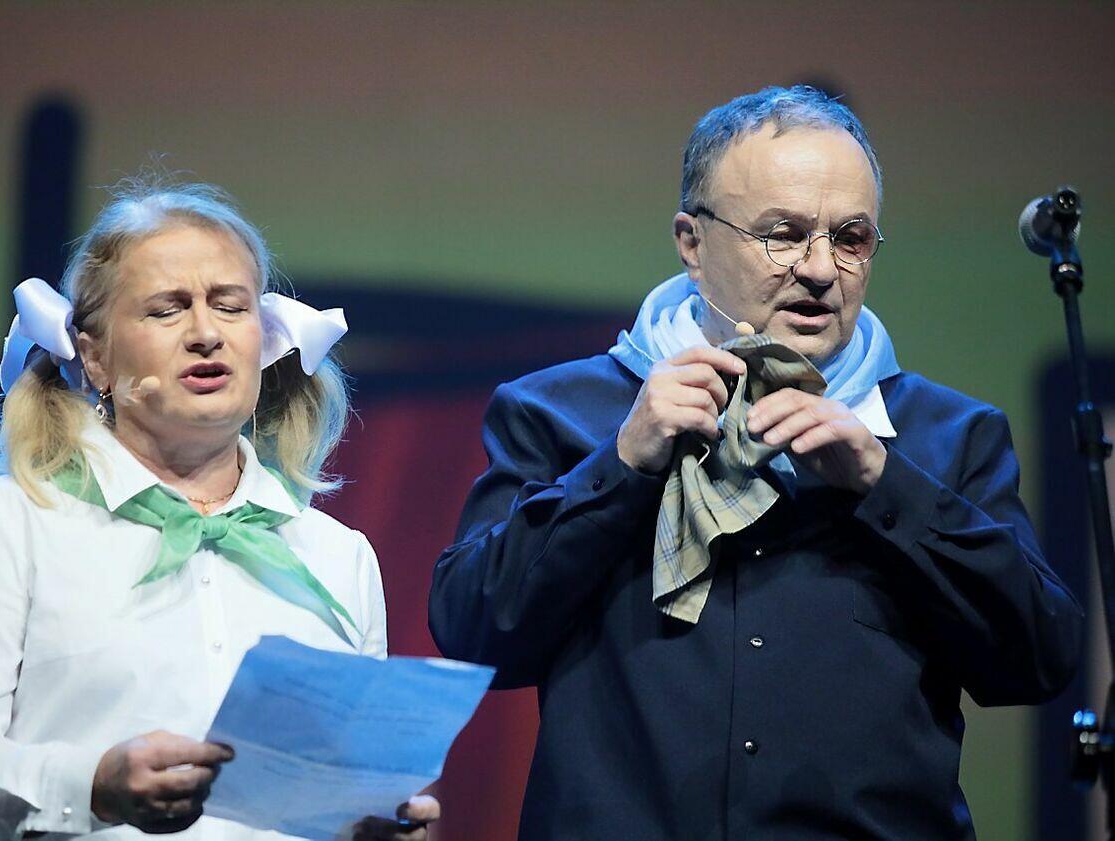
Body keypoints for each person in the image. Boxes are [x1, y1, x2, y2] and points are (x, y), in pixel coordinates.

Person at [428, 86, 1083, 840]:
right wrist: (622, 465)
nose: (820, 269)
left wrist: (883, 485)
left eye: (851, 238)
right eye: (783, 234)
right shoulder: (562, 412)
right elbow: (473, 631)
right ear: (692, 242)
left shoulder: (946, 436)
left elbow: (1038, 659)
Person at [0, 180, 439, 840]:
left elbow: (344, 787)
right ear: (94, 357)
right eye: (167, 310)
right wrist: (93, 785)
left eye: (230, 306)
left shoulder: (337, 555)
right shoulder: (1, 526)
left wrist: (371, 825)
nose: (206, 334)